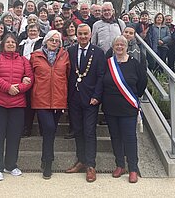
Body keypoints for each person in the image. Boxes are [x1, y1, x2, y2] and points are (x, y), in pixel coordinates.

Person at [0, 33, 34, 181]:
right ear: (3, 45)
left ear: (17, 45)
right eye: (8, 42)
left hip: (17, 104)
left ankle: (11, 165)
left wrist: (18, 87)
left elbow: (30, 79)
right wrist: (8, 87)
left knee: (14, 136)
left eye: (13, 42)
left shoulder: (24, 61)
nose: (11, 44)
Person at [102, 35, 147, 183]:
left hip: (128, 108)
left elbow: (142, 83)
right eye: (117, 45)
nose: (119, 47)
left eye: (122, 45)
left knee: (130, 138)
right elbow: (102, 81)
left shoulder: (135, 63)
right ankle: (120, 165)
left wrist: (135, 96)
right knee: (115, 137)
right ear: (113, 47)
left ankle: (133, 168)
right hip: (110, 107)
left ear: (127, 46)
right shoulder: (108, 63)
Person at [66, 24, 106, 183]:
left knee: (89, 131)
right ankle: (81, 160)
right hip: (74, 97)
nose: (82, 37)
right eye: (80, 34)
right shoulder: (70, 51)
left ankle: (90, 165)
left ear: (90, 35)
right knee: (78, 130)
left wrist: (97, 95)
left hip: (91, 99)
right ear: (76, 34)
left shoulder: (98, 52)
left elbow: (101, 76)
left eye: (85, 34)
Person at [30, 30, 70, 179]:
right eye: (52, 40)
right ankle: (48, 162)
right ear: (46, 41)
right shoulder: (35, 56)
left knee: (50, 131)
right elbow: (29, 75)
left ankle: (45, 159)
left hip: (59, 98)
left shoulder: (65, 55)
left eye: (57, 41)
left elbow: (68, 75)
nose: (54, 43)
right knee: (49, 128)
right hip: (41, 99)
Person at [19, 23, 43, 137]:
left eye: (34, 30)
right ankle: (26, 128)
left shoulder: (42, 43)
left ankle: (43, 129)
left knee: (38, 102)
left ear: (39, 32)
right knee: (27, 103)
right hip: (24, 76)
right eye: (30, 31)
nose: (32, 33)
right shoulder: (22, 44)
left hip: (39, 76)